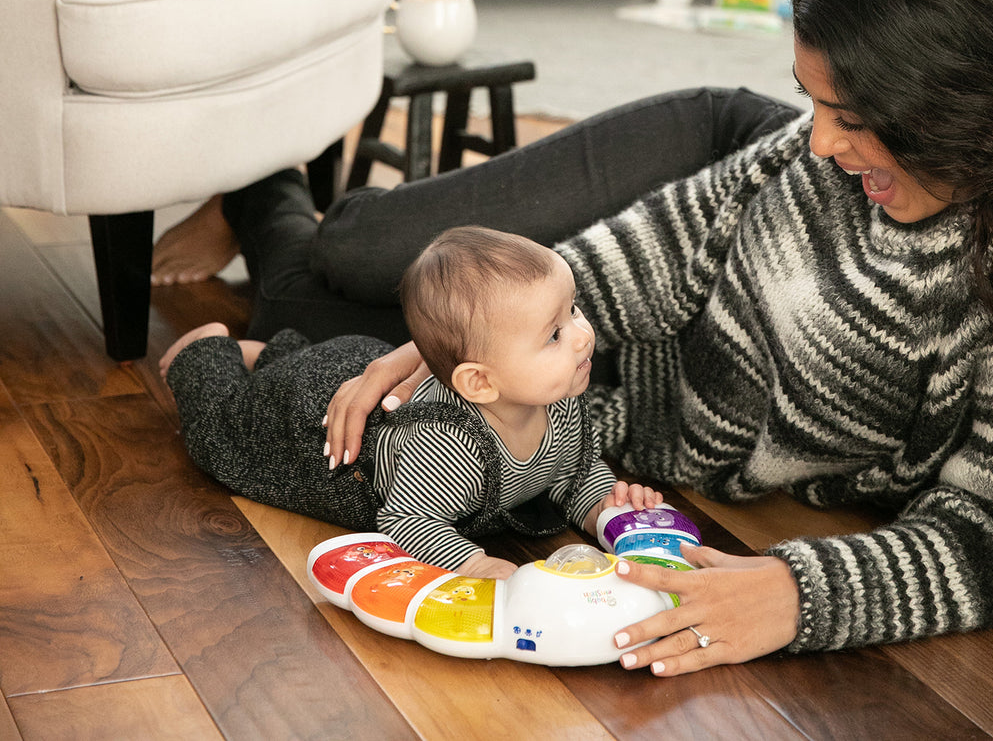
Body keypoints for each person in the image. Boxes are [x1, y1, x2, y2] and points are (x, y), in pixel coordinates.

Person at [159, 0, 993, 677]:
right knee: (370, 256)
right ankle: (283, 176)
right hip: (706, 153)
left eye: (847, 115)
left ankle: (259, 189)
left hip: (585, 390)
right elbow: (647, 256)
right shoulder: (808, 160)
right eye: (816, 105)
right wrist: (456, 347)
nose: (818, 139)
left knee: (297, 312)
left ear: (946, 110)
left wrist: (795, 592)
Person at [162, 225, 662, 578]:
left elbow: (571, 471)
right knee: (223, 433)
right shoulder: (445, 445)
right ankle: (204, 353)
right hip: (310, 422)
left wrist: (606, 507)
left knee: (285, 373)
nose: (581, 336)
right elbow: (407, 522)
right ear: (480, 383)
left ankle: (268, 355)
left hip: (356, 365)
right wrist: (474, 563)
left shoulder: (558, 398)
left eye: (572, 310)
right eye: (554, 334)